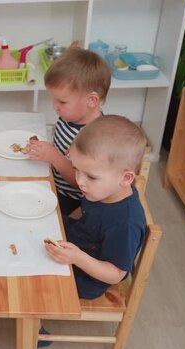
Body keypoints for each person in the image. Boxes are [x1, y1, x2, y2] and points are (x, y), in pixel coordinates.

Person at [45, 115, 147, 300]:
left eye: (90, 177)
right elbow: (84, 211)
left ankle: (35, 324)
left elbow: (116, 274)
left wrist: (77, 258)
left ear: (125, 178)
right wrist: (61, 222)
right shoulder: (100, 190)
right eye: (76, 169)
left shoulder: (125, 223)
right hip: (73, 246)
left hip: (86, 278)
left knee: (32, 280)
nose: (80, 182)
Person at [28, 48, 111, 214]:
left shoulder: (95, 138)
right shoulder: (71, 117)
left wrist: (53, 157)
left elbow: (81, 183)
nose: (54, 107)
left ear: (91, 100)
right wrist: (47, 150)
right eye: (54, 99)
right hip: (54, 182)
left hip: (73, 202)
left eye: (62, 102)